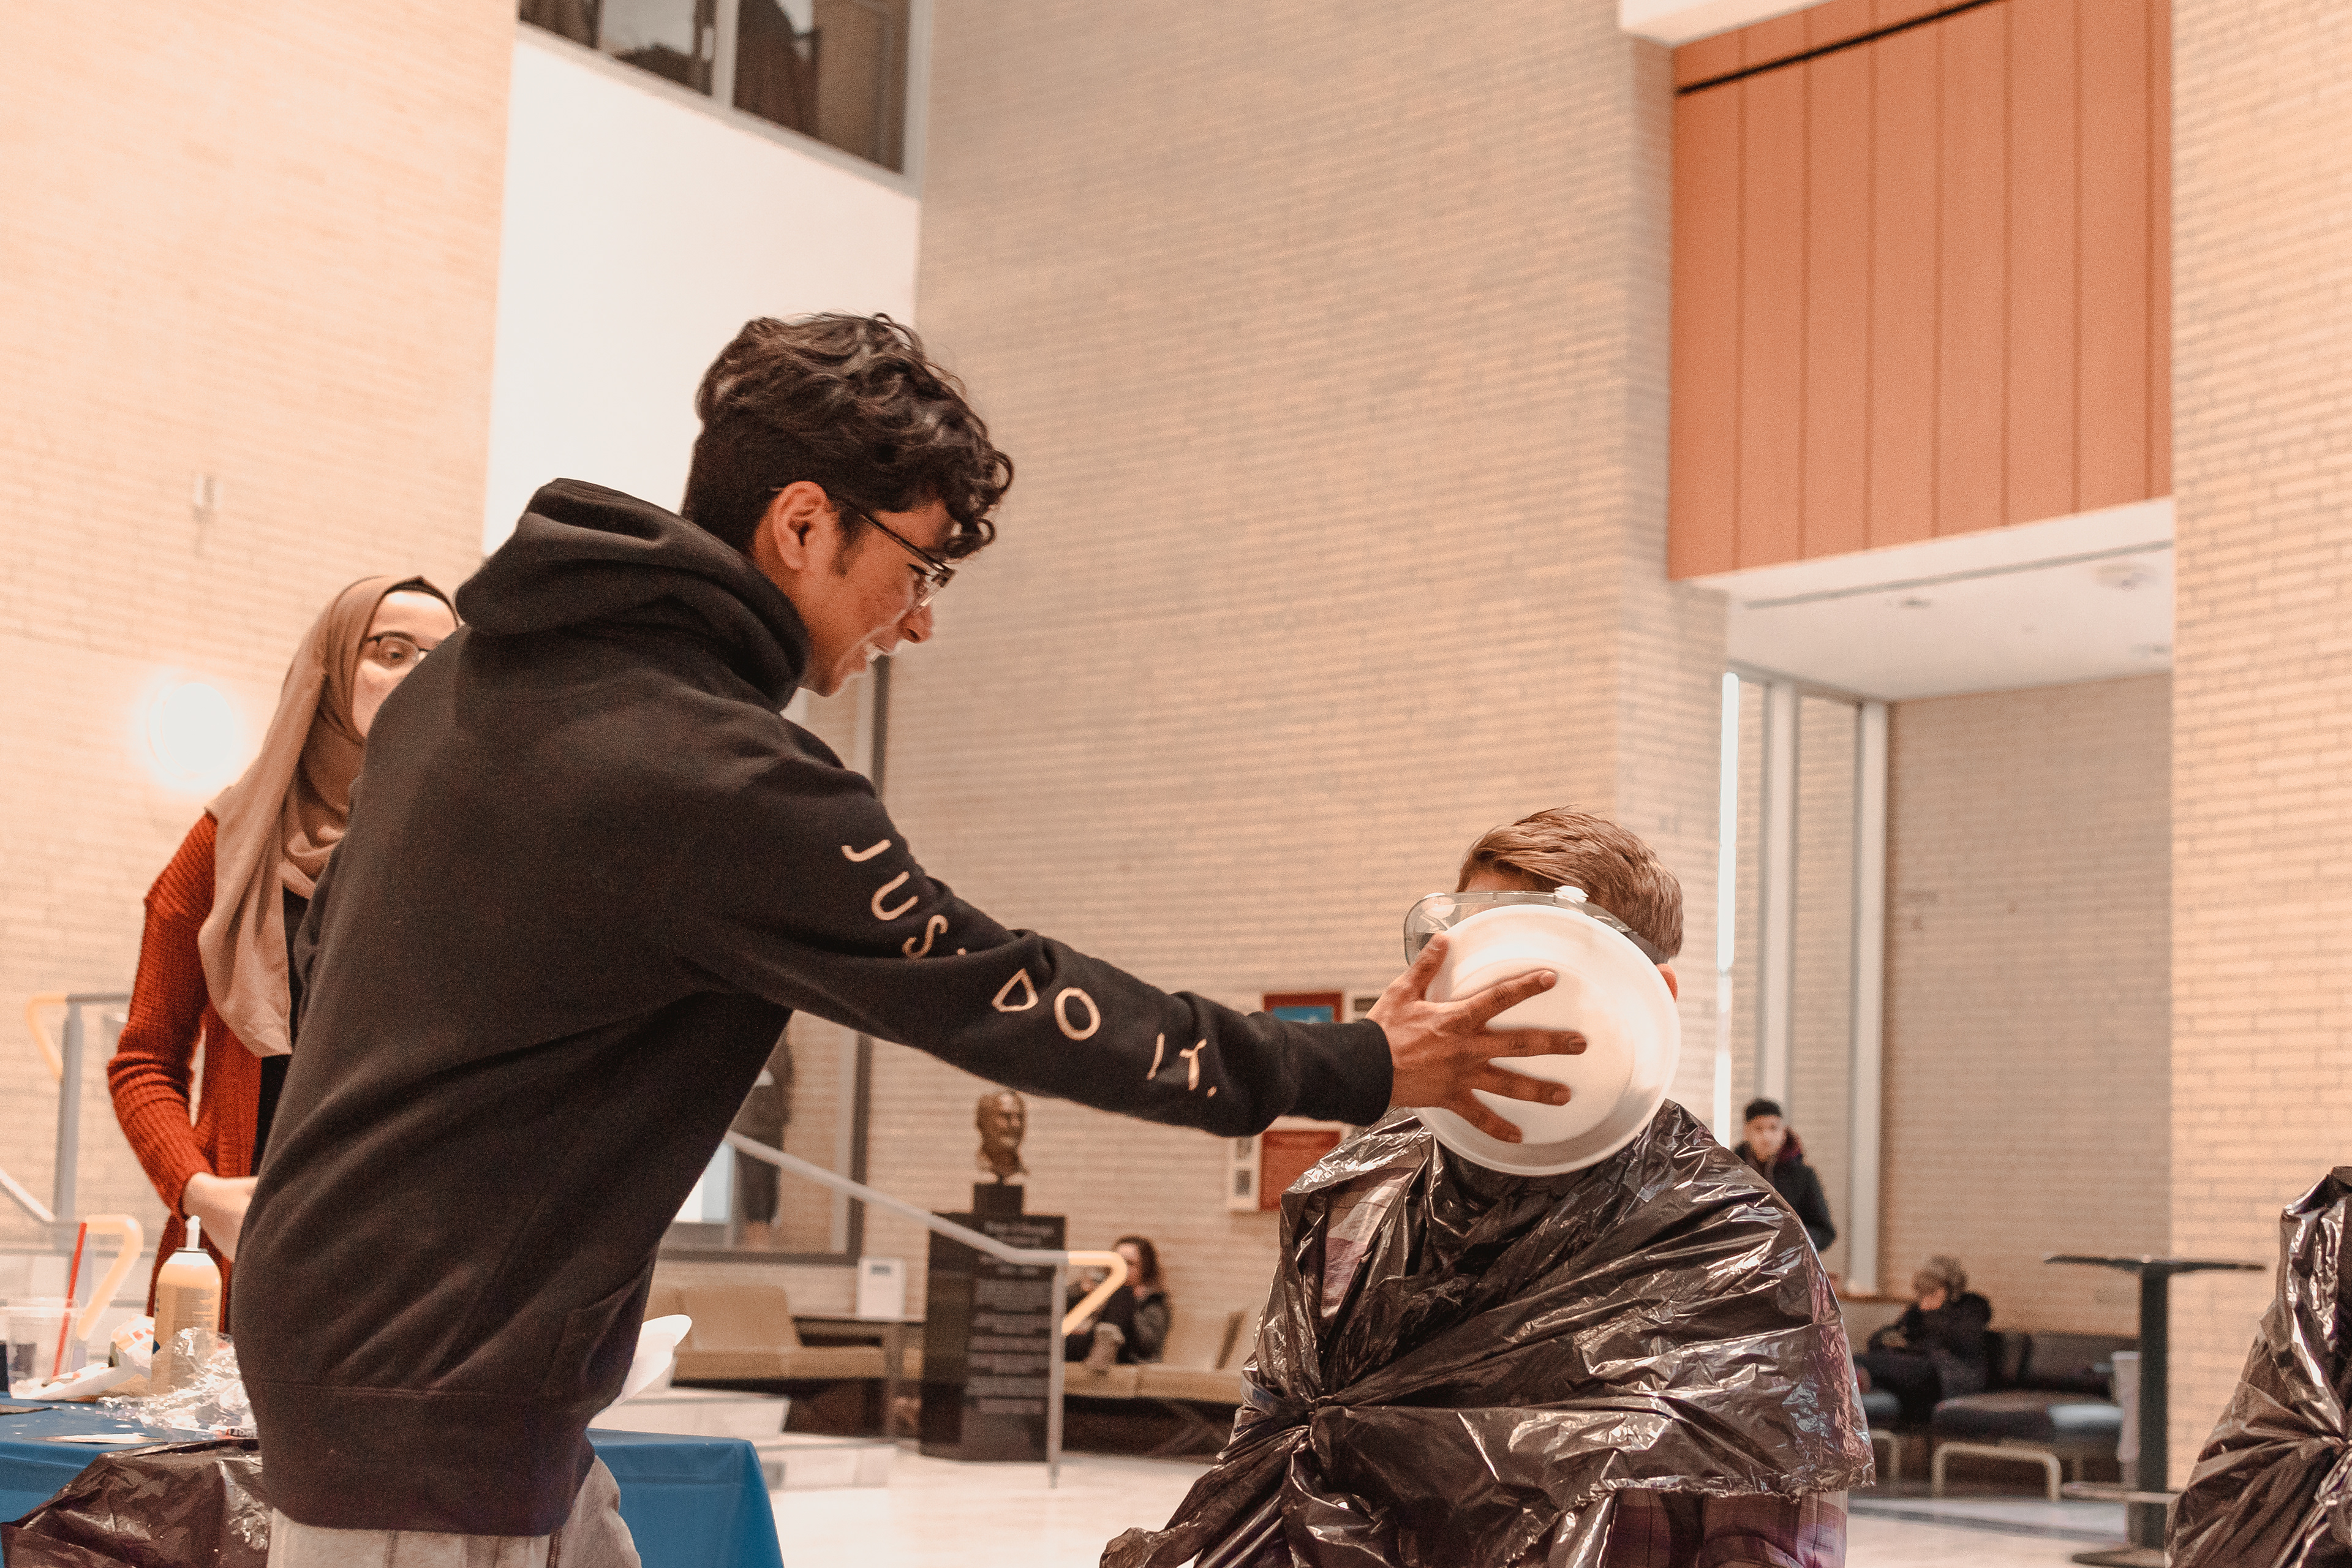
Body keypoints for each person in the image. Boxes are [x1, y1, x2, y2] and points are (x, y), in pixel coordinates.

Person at [232, 314, 1588, 1562]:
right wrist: (1352, 1062)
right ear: (803, 522)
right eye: (919, 564)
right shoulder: (715, 776)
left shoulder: (458, 685)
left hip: (394, 1353)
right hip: (430, 1397)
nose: (923, 617)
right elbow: (1004, 992)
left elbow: (331, 971)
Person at [1110, 809, 1868, 1568]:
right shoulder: (1356, 1204)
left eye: (1542, 979)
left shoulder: (1734, 1249)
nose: (1501, 1016)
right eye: (1482, 965)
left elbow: (1768, 1542)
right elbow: (1270, 1456)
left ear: (1653, 994)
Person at [105, 576, 456, 1305]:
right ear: (331, 668)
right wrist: (200, 1192)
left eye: (444, 657)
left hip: (406, 1267)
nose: (420, 675)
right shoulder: (226, 843)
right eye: (392, 651)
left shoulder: (466, 852)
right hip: (241, 1259)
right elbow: (144, 1060)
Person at [1855, 1256, 1993, 1427]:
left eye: (1932, 1293)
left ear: (1949, 1291)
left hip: (1950, 1375)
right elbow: (1879, 1339)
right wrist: (1894, 1339)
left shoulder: (1971, 1309)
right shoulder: (1917, 1312)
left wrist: (1928, 1318)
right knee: (1861, 1358)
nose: (1923, 1302)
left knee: (1908, 1367)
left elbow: (1955, 1341)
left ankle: (1862, 1377)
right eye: (1922, 1294)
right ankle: (1859, 1378)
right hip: (1919, 1372)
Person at [1736, 1098, 1836, 1253]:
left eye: (1773, 1128)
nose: (1766, 1136)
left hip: (1789, 1261)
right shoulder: (1732, 1174)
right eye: (1758, 1129)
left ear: (1783, 1132)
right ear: (1746, 1133)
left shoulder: (1803, 1176)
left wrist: (1790, 1238)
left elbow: (1824, 1233)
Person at [1067, 1234, 1169, 1370]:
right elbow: (1055, 1307)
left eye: (1130, 1263)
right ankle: (1102, 1347)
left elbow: (1149, 1344)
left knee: (1123, 1293)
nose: (1121, 1268)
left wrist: (1134, 1303)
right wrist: (1080, 1291)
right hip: (1088, 1346)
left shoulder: (1153, 1300)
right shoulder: (1097, 1287)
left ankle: (1106, 1346)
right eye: (1117, 1262)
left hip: (1128, 1353)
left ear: (1145, 1269)